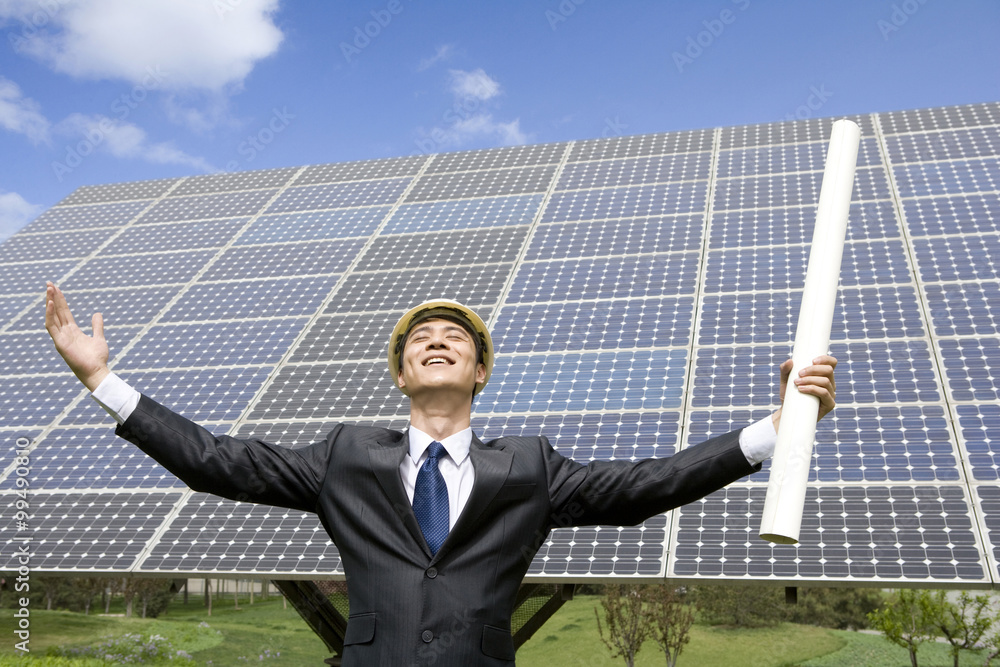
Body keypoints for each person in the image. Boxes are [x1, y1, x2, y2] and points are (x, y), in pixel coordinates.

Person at [44, 282, 837, 666]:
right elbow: (217, 462)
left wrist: (776, 428)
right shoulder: (347, 456)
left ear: (481, 372)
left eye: (455, 336)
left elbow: (642, 488)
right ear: (399, 373)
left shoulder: (529, 466)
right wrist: (103, 383)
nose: (436, 339)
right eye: (420, 336)